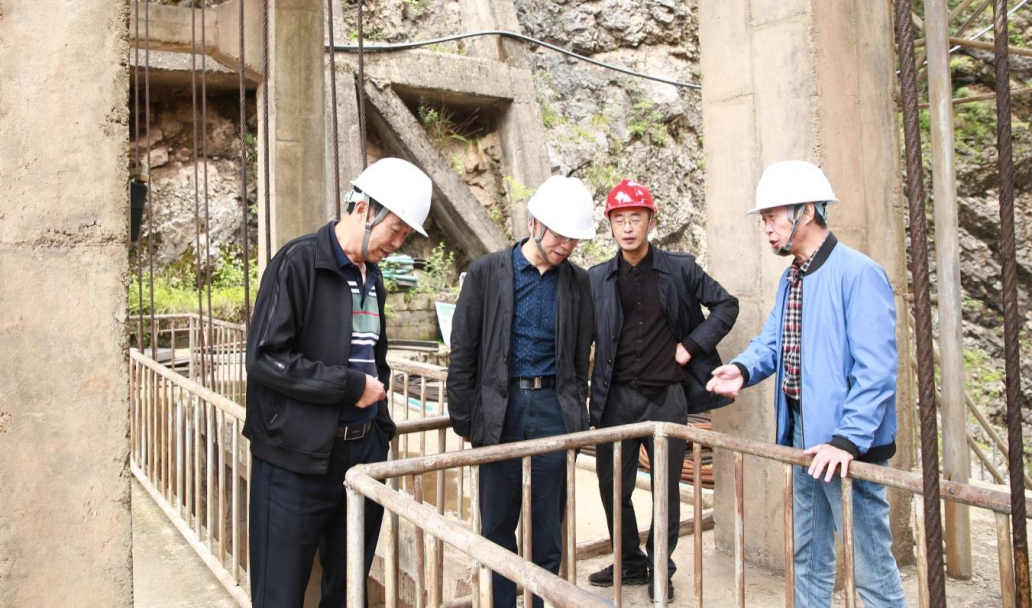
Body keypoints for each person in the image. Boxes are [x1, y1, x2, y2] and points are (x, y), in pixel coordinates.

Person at [706, 160, 906, 608]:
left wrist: (847, 440)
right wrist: (742, 369)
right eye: (763, 219)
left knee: (870, 565)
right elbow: (774, 341)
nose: (767, 229)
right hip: (802, 433)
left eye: (773, 216)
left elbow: (876, 371)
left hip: (847, 445)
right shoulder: (792, 276)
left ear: (808, 211)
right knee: (808, 553)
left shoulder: (858, 274)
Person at [244, 157, 432, 607]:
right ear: (363, 209)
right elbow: (266, 358)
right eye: (396, 230)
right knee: (278, 594)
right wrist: (349, 387)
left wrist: (380, 430)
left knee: (348, 592)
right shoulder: (297, 263)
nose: (397, 243)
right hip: (295, 462)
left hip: (361, 454)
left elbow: (374, 359)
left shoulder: (374, 278)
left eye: (406, 235)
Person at [586, 179, 739, 602]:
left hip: (666, 397)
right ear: (610, 226)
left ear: (651, 222)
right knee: (612, 487)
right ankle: (630, 562)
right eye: (619, 219)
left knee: (665, 490)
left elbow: (727, 305)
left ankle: (660, 568)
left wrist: (691, 345)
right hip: (615, 399)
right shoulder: (597, 278)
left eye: (635, 218)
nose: (627, 227)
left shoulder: (680, 269)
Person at [447, 175, 596, 608]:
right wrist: (465, 417)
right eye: (560, 235)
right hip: (502, 407)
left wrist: (577, 414)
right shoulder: (487, 272)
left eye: (574, 239)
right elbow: (464, 348)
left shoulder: (578, 282)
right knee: (497, 523)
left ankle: (538, 601)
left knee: (547, 525)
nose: (566, 245)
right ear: (534, 224)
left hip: (552, 406)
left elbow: (580, 355)